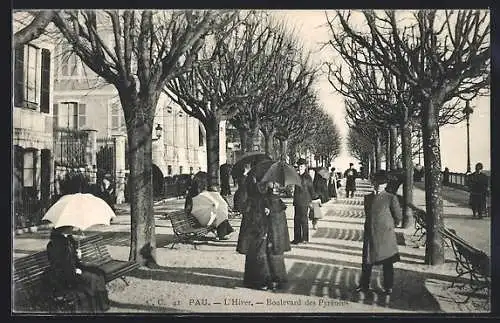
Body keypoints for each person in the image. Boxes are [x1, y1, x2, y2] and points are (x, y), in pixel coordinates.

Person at [356, 171, 403, 295]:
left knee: (387, 261)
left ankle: (388, 286)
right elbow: (368, 213)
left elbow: (398, 216)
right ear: (373, 183)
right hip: (371, 232)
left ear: (385, 184)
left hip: (385, 234)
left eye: (381, 184)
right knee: (367, 260)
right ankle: (364, 285)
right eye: (376, 183)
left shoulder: (391, 197)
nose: (378, 186)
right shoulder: (368, 197)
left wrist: (389, 225)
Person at [46, 226, 110, 313]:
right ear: (64, 228)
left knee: (99, 273)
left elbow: (72, 259)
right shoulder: (54, 244)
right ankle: (91, 308)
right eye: (70, 226)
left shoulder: (69, 240)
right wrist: (74, 270)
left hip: (73, 268)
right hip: (63, 274)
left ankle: (100, 306)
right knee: (92, 278)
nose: (72, 228)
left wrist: (77, 255)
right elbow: (59, 264)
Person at [185, 171, 234, 240]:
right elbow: (190, 208)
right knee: (219, 213)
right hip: (198, 220)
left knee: (218, 212)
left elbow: (188, 209)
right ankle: (222, 233)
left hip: (197, 218)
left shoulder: (192, 193)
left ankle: (225, 231)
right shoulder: (200, 193)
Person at [292, 158, 320, 245]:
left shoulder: (307, 177)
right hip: (297, 201)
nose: (299, 168)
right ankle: (297, 238)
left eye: (301, 166)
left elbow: (311, 190)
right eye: (299, 166)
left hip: (304, 201)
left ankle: (305, 238)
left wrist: (315, 198)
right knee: (296, 220)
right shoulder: (296, 176)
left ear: (305, 167)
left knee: (303, 219)